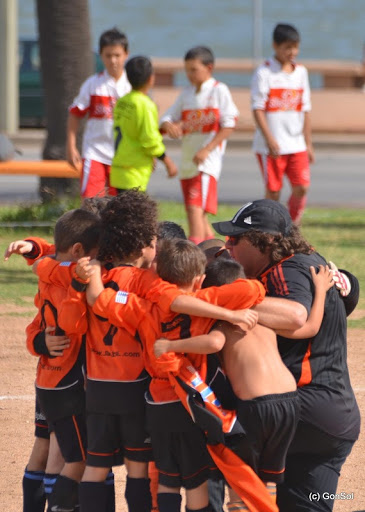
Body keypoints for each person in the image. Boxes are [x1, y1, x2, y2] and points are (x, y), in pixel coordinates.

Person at [85, 238, 275, 512]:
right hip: (191, 403)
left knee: (167, 479)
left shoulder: (142, 307)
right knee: (196, 481)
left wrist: (93, 269)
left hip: (157, 403)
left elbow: (98, 299)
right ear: (199, 279)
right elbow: (254, 289)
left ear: (160, 275)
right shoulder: (207, 299)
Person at [213, 198, 361, 512]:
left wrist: (213, 298)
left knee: (207, 428)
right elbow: (344, 297)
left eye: (235, 239)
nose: (228, 247)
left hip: (301, 409)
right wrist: (349, 282)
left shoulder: (284, 270)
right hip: (334, 422)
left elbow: (295, 315)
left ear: (265, 242)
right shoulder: (302, 264)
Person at [154, 257, 334, 510]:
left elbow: (214, 344)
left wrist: (171, 345)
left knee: (242, 482)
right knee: (270, 478)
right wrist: (321, 291)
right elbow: (311, 328)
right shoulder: (264, 319)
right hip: (290, 403)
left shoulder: (223, 322)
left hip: (256, 405)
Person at [24, 209, 102, 512]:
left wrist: (36, 251)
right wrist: (79, 286)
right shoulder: (65, 279)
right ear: (81, 252)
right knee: (73, 458)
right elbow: (70, 324)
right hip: (65, 382)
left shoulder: (50, 272)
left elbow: (46, 263)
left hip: (51, 379)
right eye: (96, 255)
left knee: (54, 450)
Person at [160, 46, 239, 244]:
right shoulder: (186, 94)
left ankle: (193, 253)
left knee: (195, 211)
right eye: (187, 70)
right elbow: (166, 119)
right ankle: (215, 252)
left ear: (209, 68)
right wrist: (169, 126)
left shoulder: (218, 90)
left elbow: (230, 124)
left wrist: (207, 149)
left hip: (206, 164)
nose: (189, 74)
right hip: (188, 163)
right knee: (196, 213)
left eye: (194, 69)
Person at [251, 23, 314, 225]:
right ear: (275, 46)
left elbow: (305, 109)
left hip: (296, 144)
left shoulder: (301, 72)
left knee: (301, 186)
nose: (292, 52)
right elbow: (258, 108)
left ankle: (291, 225)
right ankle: (267, 228)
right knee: (273, 191)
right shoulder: (264, 72)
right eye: (287, 47)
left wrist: (308, 143)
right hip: (271, 147)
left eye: (295, 47)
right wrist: (270, 139)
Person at [67, 28, 131, 198]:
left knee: (120, 208)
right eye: (108, 55)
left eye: (117, 55)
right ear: (101, 55)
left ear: (126, 54)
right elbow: (75, 113)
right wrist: (71, 146)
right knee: (90, 204)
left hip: (123, 157)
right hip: (94, 153)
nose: (113, 60)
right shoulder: (93, 84)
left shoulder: (131, 87)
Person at [110, 56, 177, 192]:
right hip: (134, 171)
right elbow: (149, 139)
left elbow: (132, 131)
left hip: (118, 169)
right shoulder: (145, 104)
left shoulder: (122, 102)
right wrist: (167, 161)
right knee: (136, 211)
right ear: (150, 78)